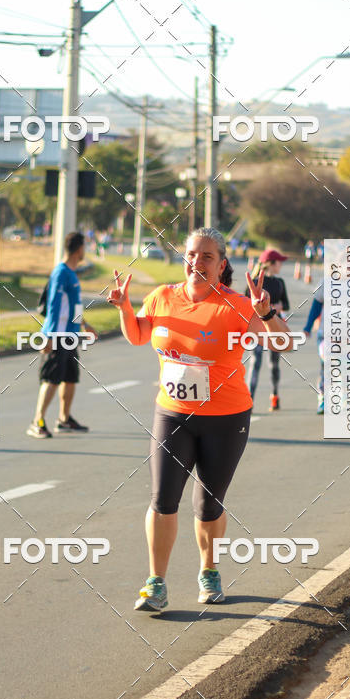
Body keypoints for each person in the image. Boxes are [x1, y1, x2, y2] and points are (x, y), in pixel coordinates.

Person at [107, 227, 294, 613]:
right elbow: (138, 336)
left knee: (208, 504)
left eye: (207, 256)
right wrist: (124, 308)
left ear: (221, 265)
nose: (197, 262)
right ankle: (155, 583)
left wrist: (265, 313)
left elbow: (284, 343)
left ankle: (209, 570)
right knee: (163, 499)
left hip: (225, 418)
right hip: (173, 414)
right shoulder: (162, 297)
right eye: (192, 254)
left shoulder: (236, 305)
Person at [27, 232, 98, 438]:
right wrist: (48, 336)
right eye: (84, 247)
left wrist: (84, 325)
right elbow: (54, 305)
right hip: (57, 334)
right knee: (51, 379)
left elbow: (74, 306)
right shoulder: (61, 272)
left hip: (70, 334)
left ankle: (64, 420)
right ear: (79, 249)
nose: (85, 251)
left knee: (70, 378)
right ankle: (37, 422)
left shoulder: (71, 274)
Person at [303, 282, 350, 414]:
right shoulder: (325, 284)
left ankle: (345, 399)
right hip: (326, 335)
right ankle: (323, 399)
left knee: (346, 369)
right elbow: (315, 308)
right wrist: (308, 326)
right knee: (327, 368)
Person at [245, 249, 290, 411]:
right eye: (279, 262)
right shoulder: (254, 282)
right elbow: (245, 304)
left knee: (273, 365)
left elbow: (286, 304)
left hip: (274, 328)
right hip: (258, 329)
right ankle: (249, 401)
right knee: (255, 363)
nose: (281, 265)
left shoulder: (279, 282)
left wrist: (276, 306)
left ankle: (274, 395)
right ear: (271, 263)